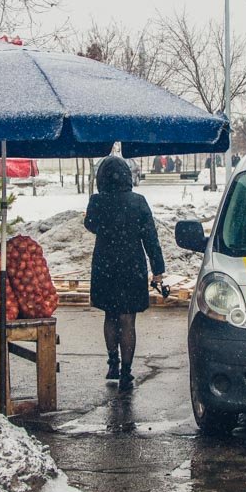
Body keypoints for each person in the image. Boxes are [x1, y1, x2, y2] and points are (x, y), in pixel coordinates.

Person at [84, 156, 165, 391]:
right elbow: (151, 237)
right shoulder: (138, 202)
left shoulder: (97, 201)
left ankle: (112, 363)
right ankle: (127, 372)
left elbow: (90, 224)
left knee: (110, 315)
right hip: (132, 265)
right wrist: (158, 269)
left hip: (105, 264)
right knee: (128, 318)